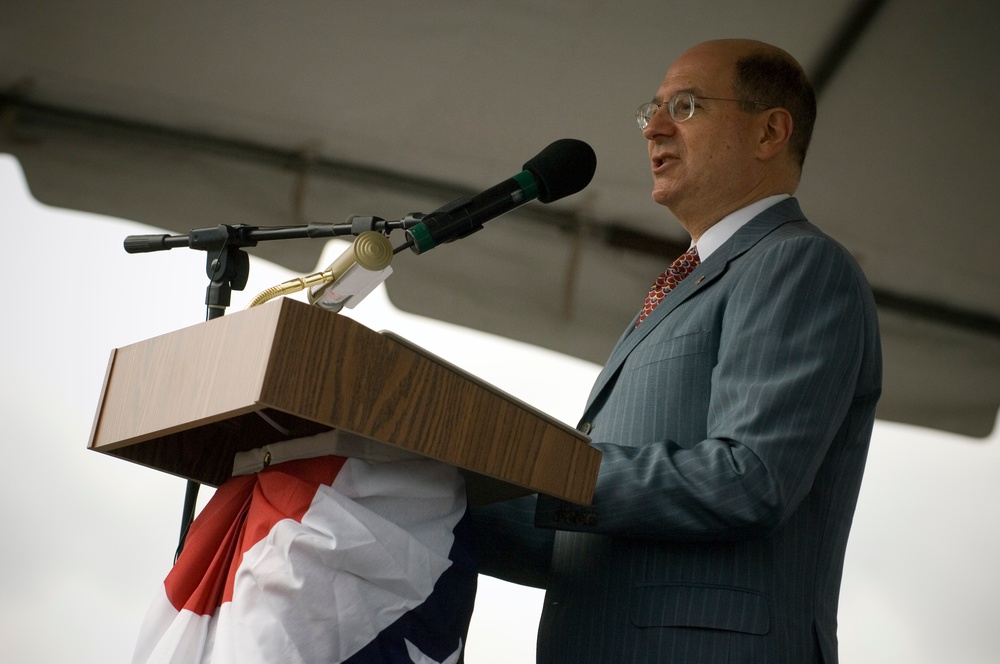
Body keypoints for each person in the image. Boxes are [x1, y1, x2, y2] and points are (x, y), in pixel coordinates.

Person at [474, 38, 882, 663]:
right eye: (651, 112)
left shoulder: (796, 263)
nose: (654, 130)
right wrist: (433, 497)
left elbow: (749, 479)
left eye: (686, 107)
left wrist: (551, 468)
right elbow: (583, 540)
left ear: (770, 132)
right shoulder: (685, 282)